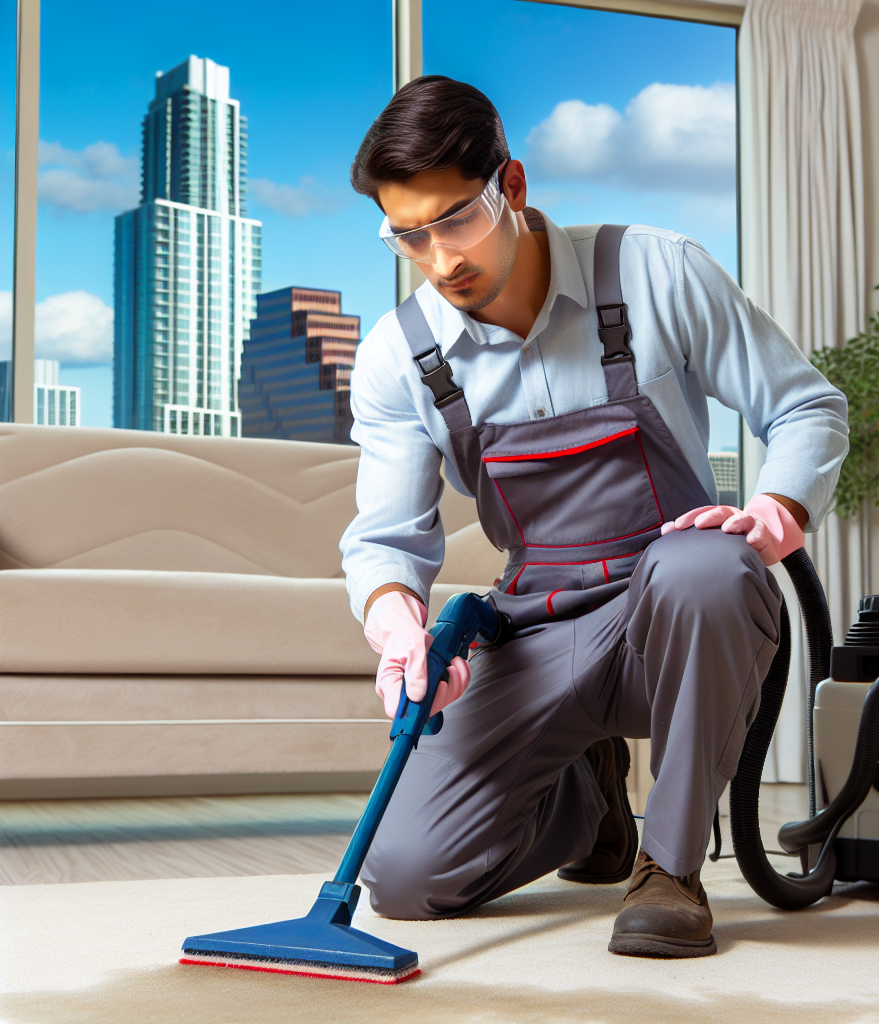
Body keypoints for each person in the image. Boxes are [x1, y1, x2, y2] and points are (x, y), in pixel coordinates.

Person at [340, 76, 848, 959]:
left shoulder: (656, 270)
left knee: (706, 565)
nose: (439, 259)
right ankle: (588, 804)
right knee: (409, 878)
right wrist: (398, 633)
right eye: (407, 235)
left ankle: (671, 867)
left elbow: (806, 406)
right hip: (539, 629)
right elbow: (387, 539)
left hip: (680, 611)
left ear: (514, 186)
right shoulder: (400, 357)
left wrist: (777, 509)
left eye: (456, 219)